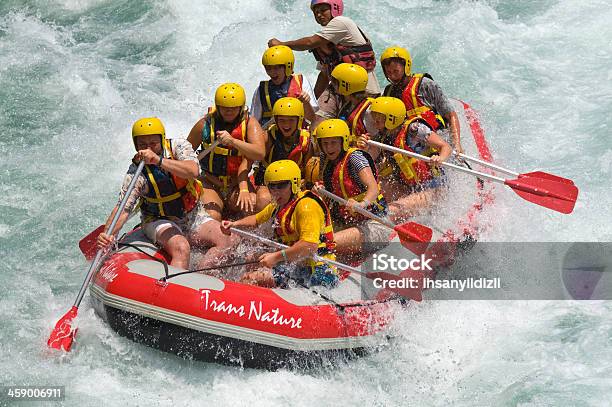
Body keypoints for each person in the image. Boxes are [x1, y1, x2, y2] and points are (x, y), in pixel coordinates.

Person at [97, 118, 234, 270]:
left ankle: (203, 276)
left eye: (153, 143)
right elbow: (123, 209)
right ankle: (177, 287)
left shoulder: (178, 147)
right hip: (159, 221)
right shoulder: (136, 173)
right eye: (142, 145)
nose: (148, 149)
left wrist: (158, 160)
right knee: (182, 248)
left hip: (193, 215)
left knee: (226, 238)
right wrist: (107, 234)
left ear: (162, 140)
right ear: (136, 146)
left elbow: (193, 171)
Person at [220, 160, 338, 288]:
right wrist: (234, 225)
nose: (275, 191)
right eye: (272, 186)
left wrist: (276, 257)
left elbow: (309, 245)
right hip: (298, 265)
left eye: (281, 185)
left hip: (319, 271)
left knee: (249, 279)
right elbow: (256, 219)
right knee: (251, 260)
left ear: (294, 184)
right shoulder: (279, 205)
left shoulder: (306, 206)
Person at [267, 0, 380, 111]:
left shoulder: (341, 22)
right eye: (316, 12)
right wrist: (312, 101)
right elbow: (325, 75)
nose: (319, 15)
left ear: (335, 8)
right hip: (340, 90)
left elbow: (310, 42)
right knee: (317, 119)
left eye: (323, 10)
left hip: (362, 89)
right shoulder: (326, 39)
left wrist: (282, 44)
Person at [358, 97, 452, 221]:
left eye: (378, 121)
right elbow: (371, 159)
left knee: (391, 210)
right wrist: (365, 148)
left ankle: (383, 223)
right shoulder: (384, 136)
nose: (375, 125)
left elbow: (445, 147)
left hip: (434, 189)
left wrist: (440, 158)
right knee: (370, 186)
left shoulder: (415, 129)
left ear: (391, 120)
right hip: (410, 187)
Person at [187, 83, 266, 221]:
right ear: (218, 106)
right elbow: (185, 152)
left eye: (233, 108)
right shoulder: (204, 125)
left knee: (252, 206)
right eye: (224, 108)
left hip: (236, 183)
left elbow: (259, 153)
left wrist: (233, 142)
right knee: (213, 216)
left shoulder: (249, 124)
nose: (228, 112)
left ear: (241, 107)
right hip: (210, 181)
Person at [312, 119, 389, 258]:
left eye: (333, 143)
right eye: (325, 143)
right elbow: (328, 189)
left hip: (373, 223)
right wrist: (318, 190)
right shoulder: (325, 160)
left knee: (324, 243)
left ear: (344, 141)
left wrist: (362, 204)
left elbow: (373, 188)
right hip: (345, 221)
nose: (329, 148)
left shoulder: (355, 158)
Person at [380, 46, 464, 154]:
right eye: (388, 72)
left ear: (406, 67)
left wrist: (457, 144)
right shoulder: (388, 93)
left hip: (436, 142)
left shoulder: (425, 84)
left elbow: (451, 115)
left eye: (396, 71)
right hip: (409, 147)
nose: (392, 76)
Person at [254, 97, 314, 211]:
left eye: (291, 120)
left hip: (293, 184)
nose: (286, 125)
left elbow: (309, 170)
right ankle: (264, 228)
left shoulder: (306, 141)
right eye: (282, 120)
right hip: (269, 182)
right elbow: (250, 158)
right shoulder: (268, 137)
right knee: (264, 199)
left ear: (299, 120)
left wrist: (305, 181)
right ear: (276, 121)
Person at [251, 45, 318, 128]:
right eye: (268, 68)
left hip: (298, 134)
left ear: (288, 67)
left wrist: (306, 103)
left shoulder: (301, 82)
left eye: (276, 68)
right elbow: (254, 122)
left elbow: (312, 119)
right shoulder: (261, 90)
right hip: (273, 136)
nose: (272, 72)